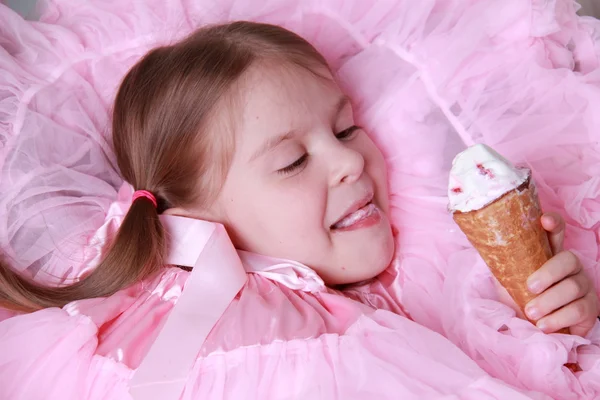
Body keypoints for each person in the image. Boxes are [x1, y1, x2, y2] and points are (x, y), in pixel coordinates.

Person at [0, 20, 597, 399]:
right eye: (291, 162)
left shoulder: (381, 300)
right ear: (194, 216)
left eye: (345, 128)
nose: (349, 163)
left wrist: (555, 330)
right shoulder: (265, 342)